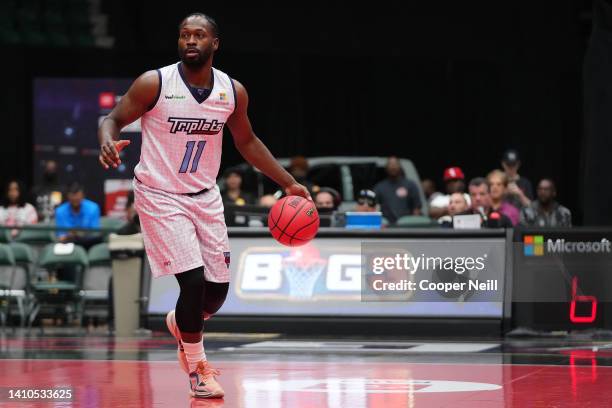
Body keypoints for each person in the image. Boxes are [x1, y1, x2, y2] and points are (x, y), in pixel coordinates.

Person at [97, 12, 309, 400]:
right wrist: (107, 139)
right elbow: (112, 118)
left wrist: (289, 183)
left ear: (215, 43)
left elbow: (247, 143)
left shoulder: (232, 91)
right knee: (191, 282)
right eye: (183, 35)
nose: (190, 41)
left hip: (205, 196)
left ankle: (183, 322)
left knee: (215, 294)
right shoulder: (155, 83)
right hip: (160, 194)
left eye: (198, 35)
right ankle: (197, 367)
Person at [374, 156, 422, 223]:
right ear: (386, 167)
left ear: (400, 167)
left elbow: (416, 208)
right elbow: (375, 209)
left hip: (406, 226)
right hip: (386, 227)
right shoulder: (379, 187)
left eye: (395, 164)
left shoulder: (410, 185)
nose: (393, 167)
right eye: (390, 164)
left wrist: (414, 226)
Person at [54, 182, 102, 248]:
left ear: (82, 196)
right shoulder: (60, 211)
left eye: (77, 196)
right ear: (68, 196)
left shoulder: (93, 208)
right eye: (72, 196)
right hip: (68, 244)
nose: (75, 199)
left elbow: (95, 234)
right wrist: (71, 235)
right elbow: (61, 238)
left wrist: (78, 233)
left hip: (89, 244)